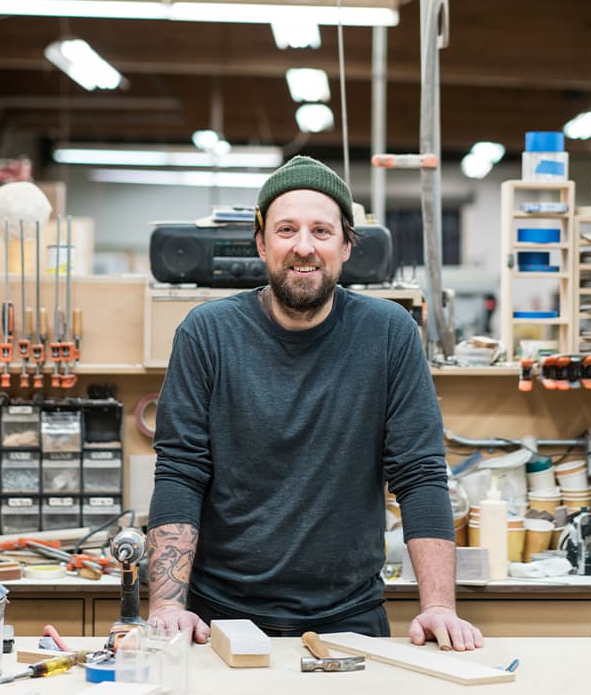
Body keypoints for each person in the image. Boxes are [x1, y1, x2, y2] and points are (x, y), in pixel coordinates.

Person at [146, 155, 483, 651]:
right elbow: (180, 471)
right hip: (222, 621)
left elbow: (419, 473)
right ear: (261, 243)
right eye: (286, 229)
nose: (303, 247)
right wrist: (168, 607)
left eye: (321, 231)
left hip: (351, 618)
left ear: (347, 245)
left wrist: (438, 607)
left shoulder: (390, 333)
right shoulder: (207, 333)